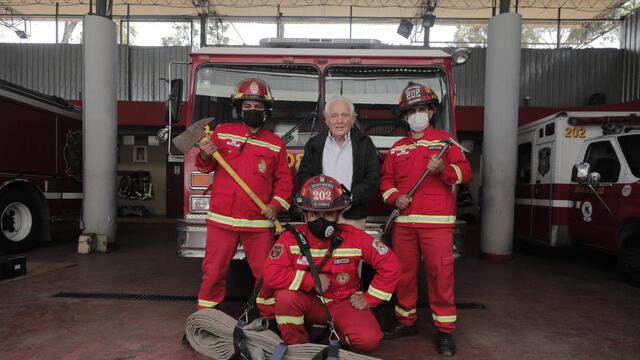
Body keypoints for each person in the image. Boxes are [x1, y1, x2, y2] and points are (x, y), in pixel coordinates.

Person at [379, 82, 471, 356]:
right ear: (404, 117)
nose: (416, 115)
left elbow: (465, 173)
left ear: (431, 112)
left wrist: (444, 168)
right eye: (411, 111)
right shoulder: (396, 149)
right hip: (404, 224)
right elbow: (385, 182)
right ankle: (406, 322)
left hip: (437, 224)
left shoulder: (445, 142)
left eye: (421, 109)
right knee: (404, 276)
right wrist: (396, 198)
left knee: (440, 276)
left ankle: (444, 332)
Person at [263, 175, 401, 352]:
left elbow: (391, 265)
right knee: (285, 298)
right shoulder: (291, 237)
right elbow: (271, 274)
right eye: (314, 214)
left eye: (328, 214)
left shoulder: (354, 237)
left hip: (343, 302)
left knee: (369, 341)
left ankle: (338, 329)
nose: (321, 220)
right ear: (304, 215)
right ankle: (298, 348)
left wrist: (369, 298)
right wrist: (311, 281)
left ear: (338, 214)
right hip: (308, 301)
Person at [195, 78, 293, 321]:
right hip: (222, 219)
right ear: (239, 108)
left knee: (266, 273)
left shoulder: (275, 144)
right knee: (213, 271)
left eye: (258, 107)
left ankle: (270, 320)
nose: (252, 111)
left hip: (258, 223)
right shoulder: (222, 132)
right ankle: (205, 320)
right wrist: (205, 155)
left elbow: (284, 182)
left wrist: (276, 205)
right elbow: (204, 167)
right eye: (247, 106)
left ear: (266, 111)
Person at [297, 96, 380, 229]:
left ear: (352, 120)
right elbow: (303, 177)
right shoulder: (314, 144)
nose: (339, 121)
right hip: (320, 215)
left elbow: (373, 178)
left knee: (352, 250)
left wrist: (351, 197)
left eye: (345, 115)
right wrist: (317, 199)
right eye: (334, 115)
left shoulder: (364, 143)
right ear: (327, 120)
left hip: (353, 216)